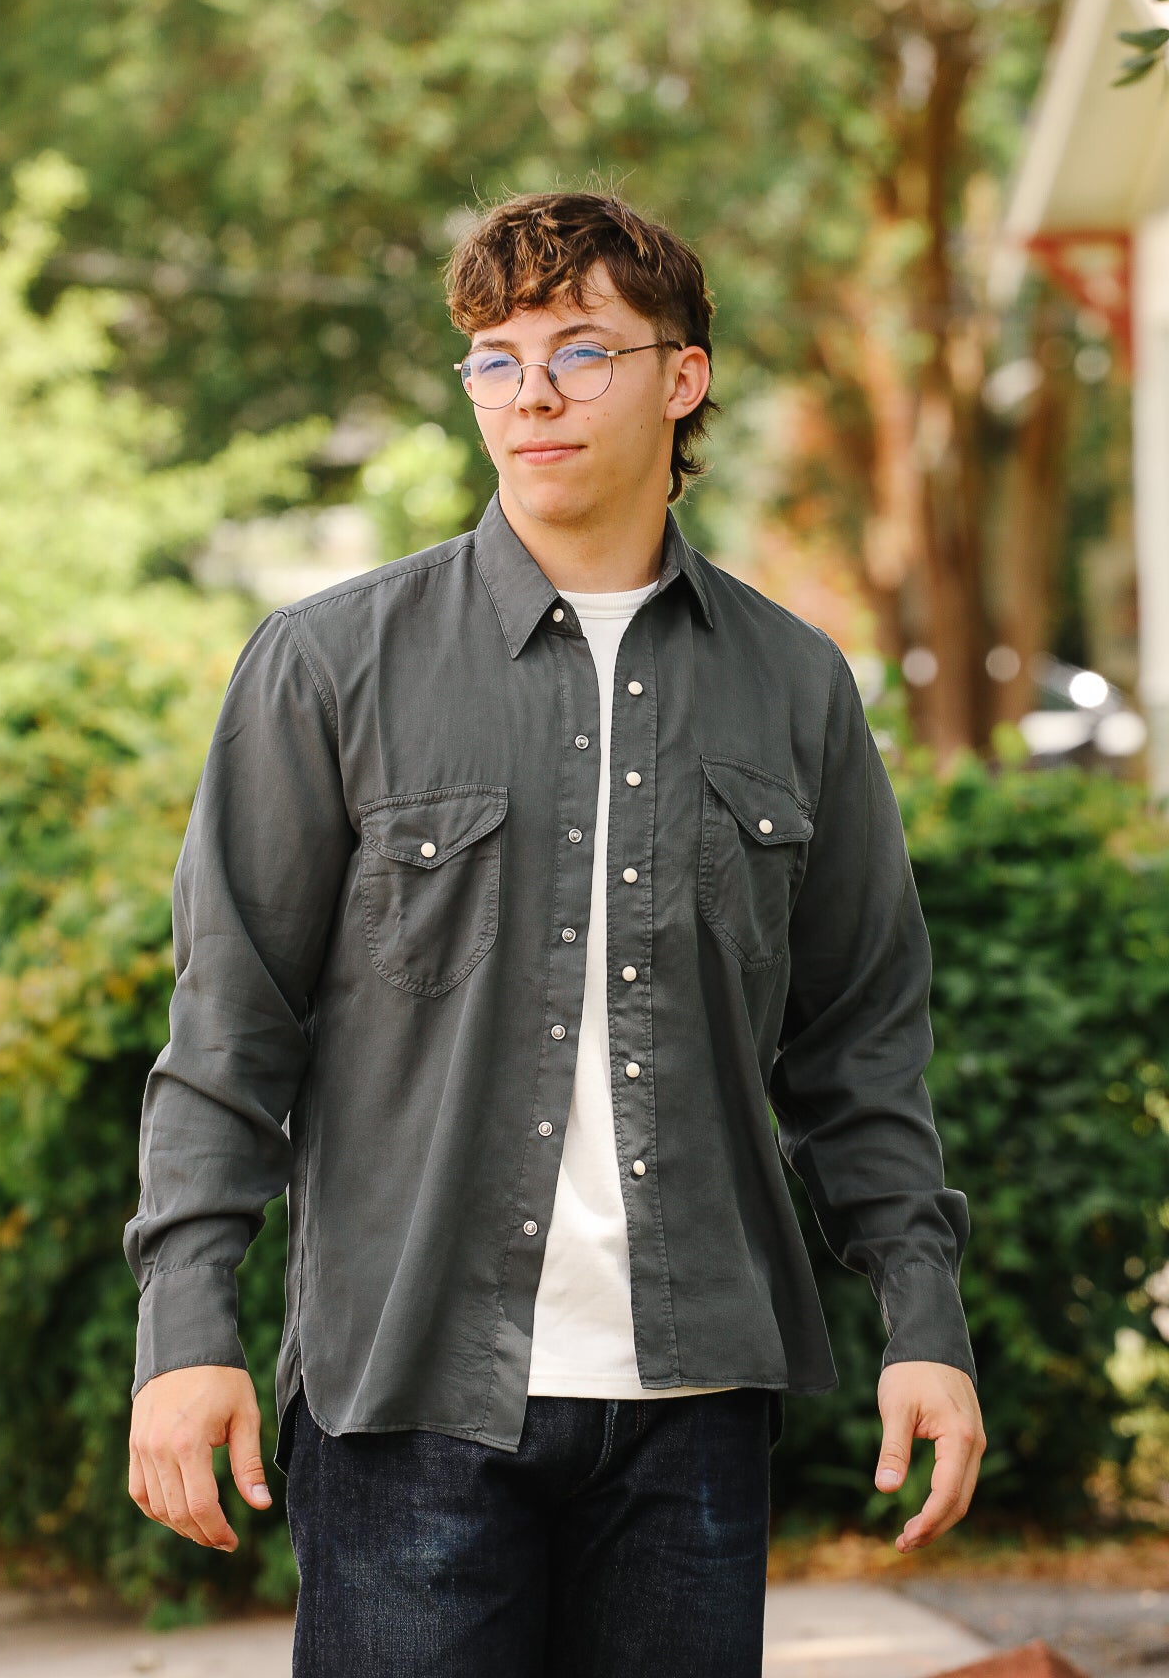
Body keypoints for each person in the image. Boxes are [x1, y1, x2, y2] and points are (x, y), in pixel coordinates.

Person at [124, 190, 986, 1677]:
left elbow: (860, 1046)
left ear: (683, 376)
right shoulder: (329, 667)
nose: (530, 394)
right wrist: (186, 1330)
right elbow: (228, 1031)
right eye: (494, 357)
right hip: (407, 1407)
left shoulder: (795, 688)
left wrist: (924, 1315)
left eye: (582, 351)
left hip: (694, 1412)